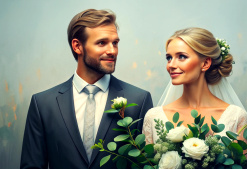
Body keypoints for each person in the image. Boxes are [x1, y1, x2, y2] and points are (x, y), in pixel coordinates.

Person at [20, 9, 153, 169]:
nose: (112, 51)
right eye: (102, 43)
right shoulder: (42, 104)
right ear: (77, 46)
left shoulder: (139, 100)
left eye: (115, 43)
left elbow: (145, 164)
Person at [142, 27, 247, 168]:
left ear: (205, 63)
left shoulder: (236, 117)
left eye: (181, 56)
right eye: (169, 58)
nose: (171, 65)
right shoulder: (153, 117)